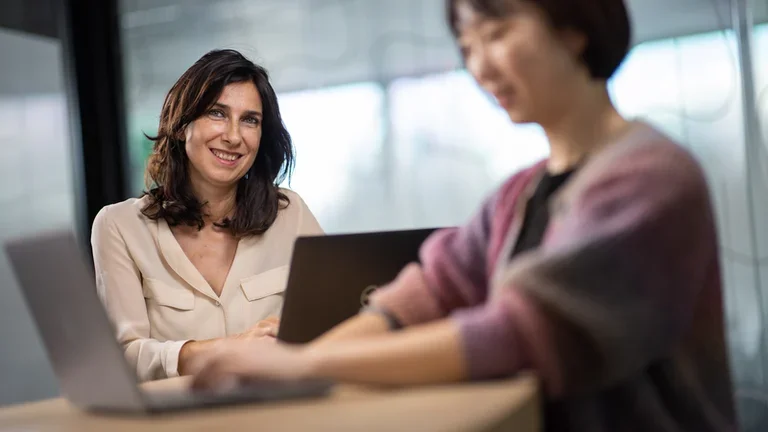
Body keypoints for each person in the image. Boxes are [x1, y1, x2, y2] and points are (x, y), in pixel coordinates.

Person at [188, 1, 737, 430]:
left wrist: (305, 367)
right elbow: (424, 293)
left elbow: (519, 333)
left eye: (496, 35)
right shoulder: (518, 194)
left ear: (574, 25)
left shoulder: (651, 176)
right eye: (468, 46)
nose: (480, 66)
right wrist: (291, 371)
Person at [91, 49, 323, 382]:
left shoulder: (291, 213)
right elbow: (125, 356)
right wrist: (230, 349)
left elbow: (336, 318)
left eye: (250, 120)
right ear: (182, 124)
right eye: (217, 113)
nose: (233, 136)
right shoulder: (119, 226)